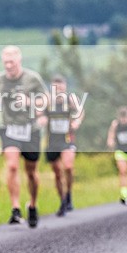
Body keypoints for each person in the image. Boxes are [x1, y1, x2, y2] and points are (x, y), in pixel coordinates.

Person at [0, 46, 48, 228]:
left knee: (31, 172)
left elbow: (46, 100)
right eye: (5, 62)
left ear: (19, 61)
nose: (8, 66)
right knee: (13, 166)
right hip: (9, 129)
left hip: (30, 130)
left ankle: (32, 204)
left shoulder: (32, 78)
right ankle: (15, 208)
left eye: (11, 62)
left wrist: (30, 102)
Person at [44, 75, 84, 216]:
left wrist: (77, 122)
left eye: (61, 88)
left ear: (65, 87)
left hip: (67, 140)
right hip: (52, 141)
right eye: (56, 88)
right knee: (57, 173)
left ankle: (69, 195)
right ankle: (62, 201)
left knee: (68, 167)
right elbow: (38, 114)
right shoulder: (47, 101)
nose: (58, 90)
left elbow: (80, 111)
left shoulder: (70, 99)